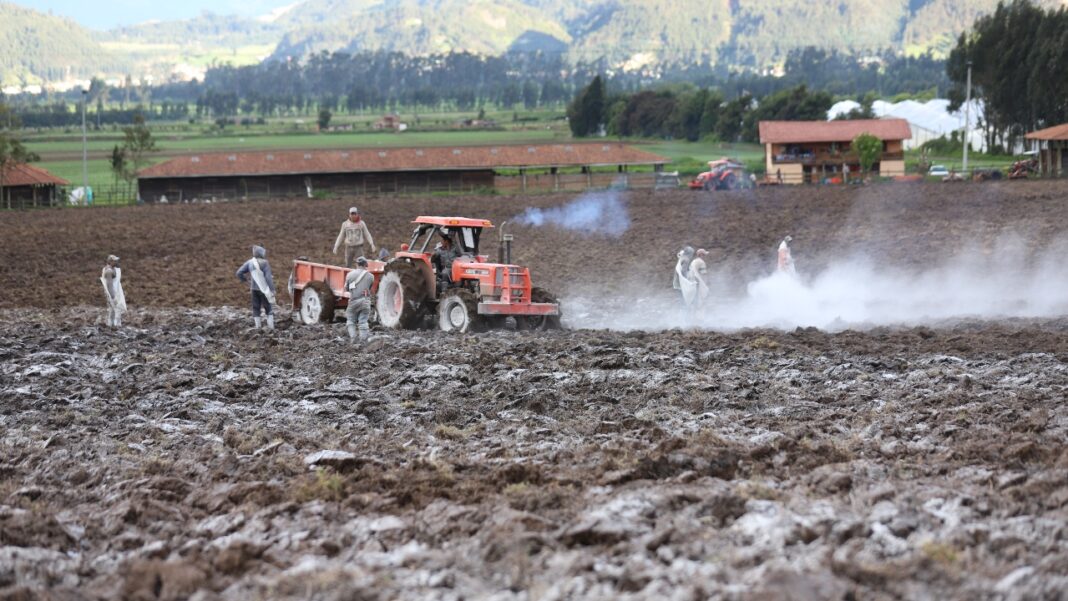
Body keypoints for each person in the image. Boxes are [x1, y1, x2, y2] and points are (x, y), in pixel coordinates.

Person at [236, 245, 277, 330]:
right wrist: (272, 290)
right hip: (264, 289)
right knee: (268, 308)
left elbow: (239, 273)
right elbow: (268, 278)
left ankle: (258, 327)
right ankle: (271, 328)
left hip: (253, 289)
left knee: (256, 308)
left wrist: (246, 280)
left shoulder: (250, 262)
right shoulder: (265, 263)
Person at [344, 257, 374, 343]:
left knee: (350, 320)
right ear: (366, 265)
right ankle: (363, 340)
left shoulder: (350, 275)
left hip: (354, 300)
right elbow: (369, 288)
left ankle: (353, 338)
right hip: (365, 301)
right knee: (363, 321)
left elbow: (346, 288)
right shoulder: (371, 276)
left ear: (356, 264)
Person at [100, 255, 127, 328]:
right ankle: (116, 325)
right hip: (112, 293)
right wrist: (113, 296)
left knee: (112, 309)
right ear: (110, 262)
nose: (116, 262)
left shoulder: (113, 269)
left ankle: (110, 324)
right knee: (117, 308)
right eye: (115, 261)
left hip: (115, 291)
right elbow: (109, 285)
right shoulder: (109, 271)